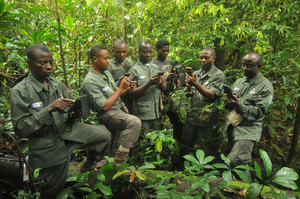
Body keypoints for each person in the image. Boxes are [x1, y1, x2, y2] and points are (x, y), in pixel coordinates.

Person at [9, 44, 111, 199]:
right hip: (46, 142)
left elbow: (69, 111)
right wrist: (48, 109)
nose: (49, 66)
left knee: (103, 135)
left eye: (50, 62)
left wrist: (74, 113)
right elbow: (21, 129)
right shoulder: (20, 91)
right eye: (42, 63)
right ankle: (64, 154)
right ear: (29, 63)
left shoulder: (57, 84)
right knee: (52, 191)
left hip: (67, 131)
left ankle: (85, 166)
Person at [81, 45, 141, 168]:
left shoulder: (106, 73)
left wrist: (127, 88)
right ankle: (119, 163)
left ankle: (87, 165)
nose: (109, 61)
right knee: (134, 122)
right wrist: (120, 88)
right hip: (105, 114)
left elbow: (115, 96)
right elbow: (104, 106)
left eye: (109, 58)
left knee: (107, 147)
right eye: (106, 58)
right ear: (95, 59)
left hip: (116, 110)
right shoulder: (90, 81)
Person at [223, 52, 274, 167]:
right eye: (243, 65)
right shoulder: (239, 82)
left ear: (258, 66)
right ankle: (242, 184)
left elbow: (260, 112)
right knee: (239, 164)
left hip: (248, 130)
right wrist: (228, 100)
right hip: (232, 126)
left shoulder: (266, 86)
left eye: (249, 66)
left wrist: (239, 105)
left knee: (234, 160)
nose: (245, 68)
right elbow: (229, 105)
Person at [181, 47, 225, 160]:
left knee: (208, 150)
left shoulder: (219, 75)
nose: (203, 60)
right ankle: (183, 171)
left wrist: (195, 84)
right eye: (201, 58)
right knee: (186, 146)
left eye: (207, 58)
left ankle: (210, 175)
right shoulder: (196, 73)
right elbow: (190, 95)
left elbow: (212, 95)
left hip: (207, 120)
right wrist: (189, 89)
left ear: (214, 59)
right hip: (191, 118)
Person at [128, 40, 167, 134]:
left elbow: (164, 88)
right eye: (145, 52)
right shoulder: (134, 70)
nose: (148, 54)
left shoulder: (155, 68)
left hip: (157, 112)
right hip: (143, 114)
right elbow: (131, 94)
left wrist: (161, 83)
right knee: (143, 143)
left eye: (150, 52)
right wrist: (149, 83)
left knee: (157, 141)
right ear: (139, 52)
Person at [151, 39, 183, 141]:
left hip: (171, 95)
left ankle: (177, 141)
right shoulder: (153, 64)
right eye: (163, 50)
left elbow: (174, 77)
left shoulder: (169, 61)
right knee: (162, 124)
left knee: (178, 120)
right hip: (160, 98)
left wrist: (176, 80)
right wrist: (165, 78)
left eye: (167, 51)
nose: (166, 53)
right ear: (157, 50)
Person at [108, 39, 135, 113]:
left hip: (132, 99)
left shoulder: (130, 62)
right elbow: (109, 86)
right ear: (113, 51)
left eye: (124, 52)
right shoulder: (109, 66)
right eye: (118, 52)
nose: (122, 55)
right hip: (119, 101)